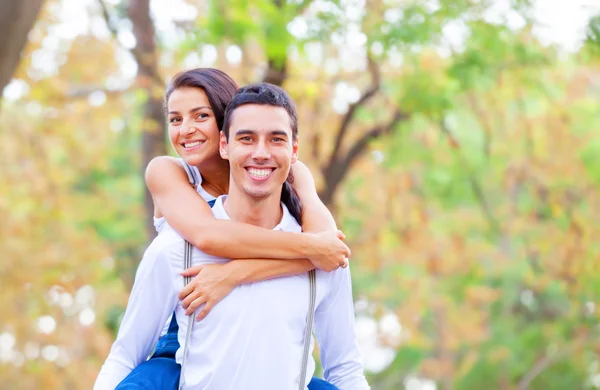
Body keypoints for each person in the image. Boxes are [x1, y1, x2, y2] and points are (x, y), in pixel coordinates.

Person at [94, 82, 369, 389]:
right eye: (246, 138)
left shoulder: (324, 254)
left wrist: (233, 274)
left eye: (276, 139)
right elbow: (125, 356)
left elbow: (346, 369)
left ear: (294, 151)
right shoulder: (175, 247)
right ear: (225, 145)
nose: (261, 153)